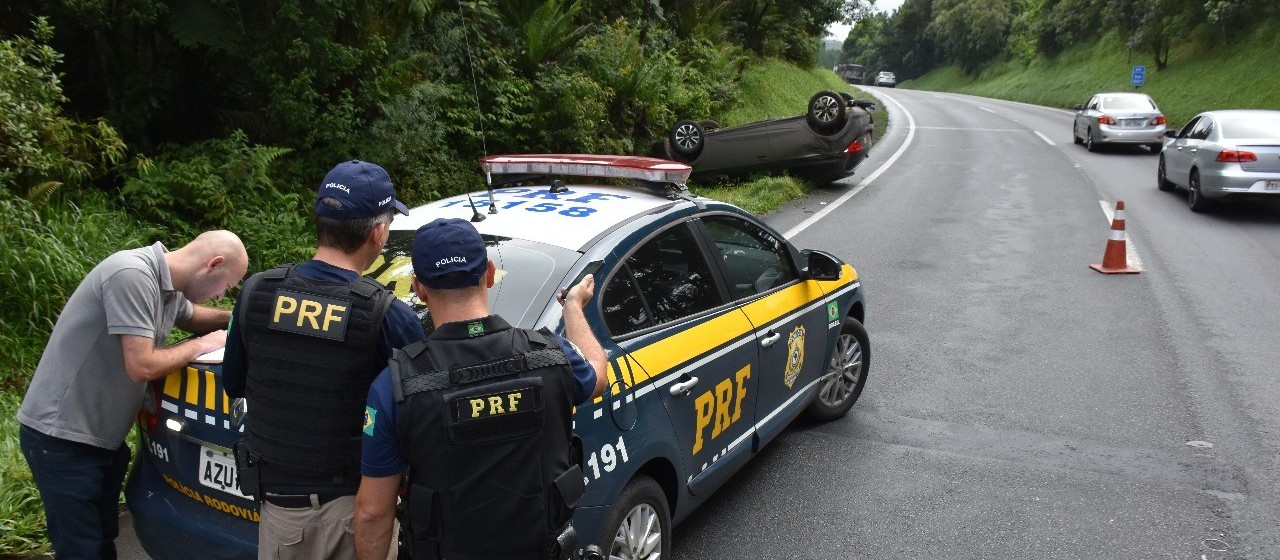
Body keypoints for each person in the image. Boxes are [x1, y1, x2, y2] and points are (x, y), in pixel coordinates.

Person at [353, 218, 608, 560]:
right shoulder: (550, 355)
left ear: (419, 288)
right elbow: (598, 376)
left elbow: (373, 512)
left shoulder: (395, 385)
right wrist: (573, 307)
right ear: (489, 274)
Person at [221, 160, 425, 560]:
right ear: (378, 233)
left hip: (280, 514)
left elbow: (234, 383)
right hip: (356, 514)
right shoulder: (387, 316)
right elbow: (420, 419)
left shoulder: (257, 293)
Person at [18, 230, 248, 559]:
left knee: (101, 539)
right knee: (79, 549)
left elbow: (195, 317)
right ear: (213, 265)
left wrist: (246, 315)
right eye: (225, 287)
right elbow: (141, 365)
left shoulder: (167, 288)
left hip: (99, 440)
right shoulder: (132, 275)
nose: (218, 296)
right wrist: (200, 345)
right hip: (62, 437)